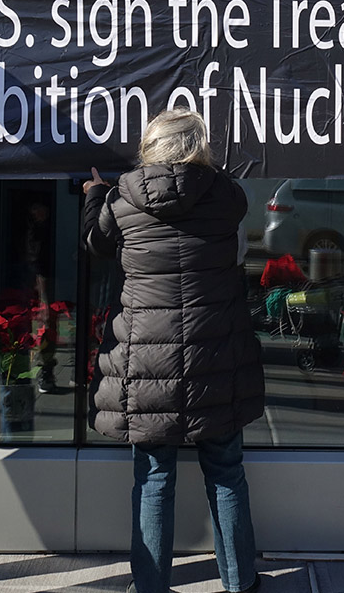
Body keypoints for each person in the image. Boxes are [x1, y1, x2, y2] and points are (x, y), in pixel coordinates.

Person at [82, 108, 264, 593]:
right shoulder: (227, 196)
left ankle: (150, 586)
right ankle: (241, 582)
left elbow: (96, 242)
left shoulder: (122, 200)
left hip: (147, 362)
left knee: (154, 477)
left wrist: (94, 196)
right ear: (198, 147)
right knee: (225, 472)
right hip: (215, 357)